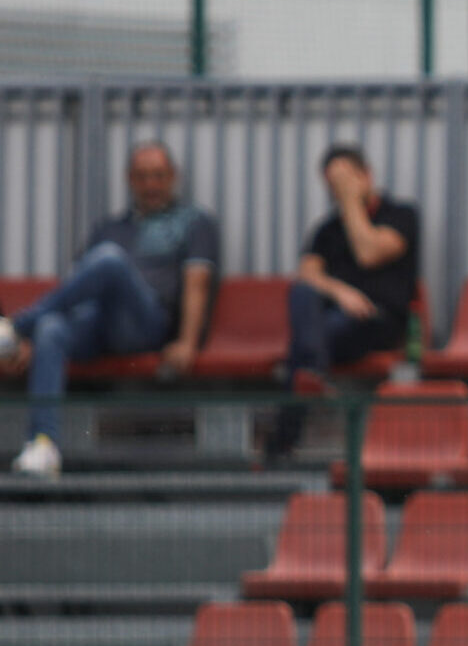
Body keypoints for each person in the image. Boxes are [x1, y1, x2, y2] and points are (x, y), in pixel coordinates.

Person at [0, 141, 220, 478]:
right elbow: (76, 292)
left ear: (173, 177)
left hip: (147, 324)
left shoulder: (195, 221)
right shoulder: (109, 228)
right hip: (97, 324)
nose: (151, 184)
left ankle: (14, 327)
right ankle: (43, 444)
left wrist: (188, 342)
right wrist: (34, 347)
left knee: (109, 260)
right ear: (130, 179)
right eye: (143, 176)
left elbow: (197, 283)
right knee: (52, 329)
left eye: (159, 176)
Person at [262, 144, 420, 462]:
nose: (341, 188)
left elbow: (369, 252)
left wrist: (350, 201)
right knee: (304, 298)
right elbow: (306, 275)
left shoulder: (400, 215)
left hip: (380, 321)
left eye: (347, 178)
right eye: (335, 183)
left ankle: (280, 446)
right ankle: (313, 374)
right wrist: (340, 292)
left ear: (367, 175)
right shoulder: (326, 230)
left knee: (302, 352)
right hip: (336, 324)